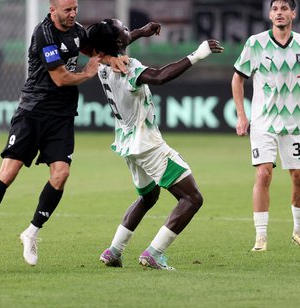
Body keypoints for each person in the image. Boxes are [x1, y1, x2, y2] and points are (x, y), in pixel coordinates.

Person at [0, 0, 158, 266]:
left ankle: (31, 233)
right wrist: (88, 72)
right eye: (67, 10)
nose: (72, 14)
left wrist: (113, 57)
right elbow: (61, 78)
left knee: (61, 173)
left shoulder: (78, 31)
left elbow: (96, 51)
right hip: (32, 112)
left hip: (62, 116)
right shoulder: (44, 34)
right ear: (52, 10)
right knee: (10, 171)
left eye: (75, 9)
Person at [87, 18, 223, 270]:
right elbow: (160, 77)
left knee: (148, 197)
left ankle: (114, 251)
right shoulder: (128, 67)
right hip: (147, 144)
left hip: (127, 144)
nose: (129, 31)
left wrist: (140, 32)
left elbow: (118, 42)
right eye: (125, 29)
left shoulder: (102, 64)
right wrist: (197, 55)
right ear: (118, 42)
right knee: (192, 198)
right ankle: (154, 253)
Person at [231, 0, 300, 252]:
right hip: (264, 123)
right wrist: (241, 115)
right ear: (270, 15)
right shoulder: (256, 44)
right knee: (263, 174)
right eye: (275, 9)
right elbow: (237, 78)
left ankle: (299, 232)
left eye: (284, 8)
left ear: (293, 14)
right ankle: (261, 237)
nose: (279, 12)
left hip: (295, 123)